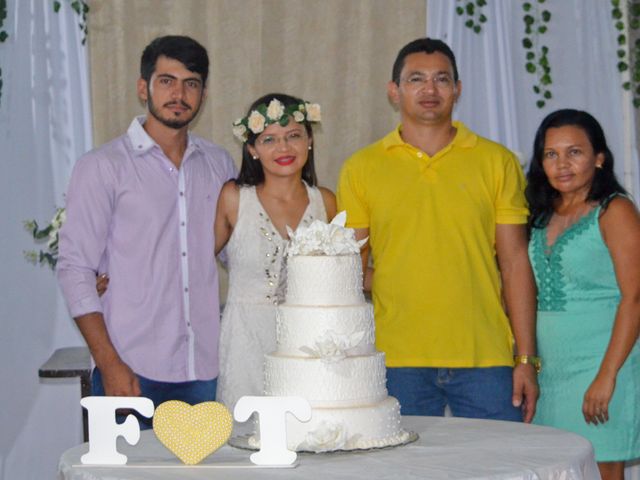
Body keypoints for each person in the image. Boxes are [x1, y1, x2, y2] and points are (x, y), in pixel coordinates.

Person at [337, 37, 539, 421]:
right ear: (394, 91)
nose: (430, 89)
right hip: (395, 360)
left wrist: (526, 357)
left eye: (441, 79)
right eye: (416, 79)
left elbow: (514, 263)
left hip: (487, 356)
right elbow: (349, 270)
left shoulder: (496, 162)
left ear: (457, 90)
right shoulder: (361, 168)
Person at [57, 35, 237, 426]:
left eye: (191, 83)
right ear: (144, 88)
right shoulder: (103, 167)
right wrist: (110, 363)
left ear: (203, 93)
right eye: (167, 80)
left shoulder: (219, 164)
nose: (179, 93)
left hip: (203, 371)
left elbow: (236, 254)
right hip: (130, 369)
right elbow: (74, 268)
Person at [526, 109, 640, 480]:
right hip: (552, 372)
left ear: (599, 158)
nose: (561, 164)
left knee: (603, 467)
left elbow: (635, 298)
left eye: (574, 152)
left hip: (605, 364)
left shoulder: (615, 211)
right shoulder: (540, 214)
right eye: (551, 154)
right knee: (555, 469)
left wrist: (607, 376)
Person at [214, 93, 336, 415]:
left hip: (309, 345)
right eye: (269, 139)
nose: (283, 148)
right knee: (247, 445)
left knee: (311, 438)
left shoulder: (326, 201)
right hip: (246, 343)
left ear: (309, 140)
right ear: (252, 149)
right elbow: (193, 264)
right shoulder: (233, 197)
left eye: (293, 135)